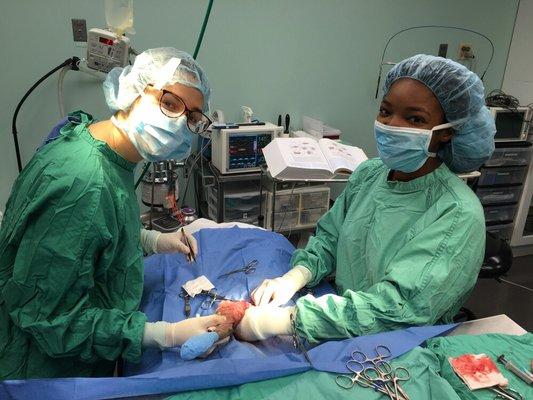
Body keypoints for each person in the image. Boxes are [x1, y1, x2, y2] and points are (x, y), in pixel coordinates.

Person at [0, 47, 229, 379]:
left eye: (193, 116)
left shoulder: (99, 144)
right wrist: (165, 334)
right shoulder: (82, 182)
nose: (181, 123)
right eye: (170, 103)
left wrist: (153, 240)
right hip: (42, 370)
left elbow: (89, 233)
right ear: (134, 90)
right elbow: (50, 320)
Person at [236, 54, 496, 343]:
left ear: (446, 133)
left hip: (400, 346)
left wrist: (289, 319)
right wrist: (297, 275)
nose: (392, 125)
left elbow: (399, 307)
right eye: (386, 111)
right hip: (339, 320)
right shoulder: (371, 174)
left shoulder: (456, 212)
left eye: (415, 119)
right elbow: (330, 239)